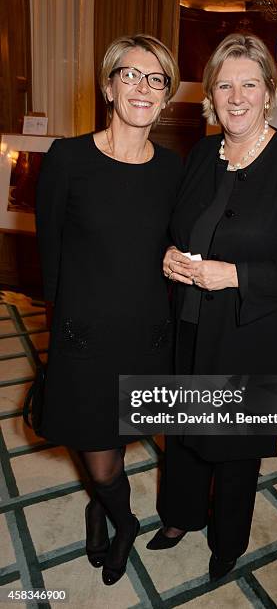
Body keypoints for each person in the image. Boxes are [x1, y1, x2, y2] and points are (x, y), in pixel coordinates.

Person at [147, 33, 277, 581]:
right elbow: (176, 226)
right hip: (190, 322)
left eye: (249, 84)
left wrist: (237, 275)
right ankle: (179, 516)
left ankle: (227, 542)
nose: (236, 96)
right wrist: (167, 257)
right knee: (183, 428)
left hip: (253, 334)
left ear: (269, 93)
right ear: (210, 95)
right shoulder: (203, 153)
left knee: (233, 446)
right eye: (224, 84)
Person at [36, 34, 182, 586]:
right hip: (85, 336)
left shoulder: (176, 170)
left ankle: (101, 505)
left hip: (146, 335)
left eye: (156, 78)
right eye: (130, 74)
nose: (142, 87)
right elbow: (49, 257)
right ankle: (123, 519)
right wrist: (61, 332)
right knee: (95, 448)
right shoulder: (68, 158)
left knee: (117, 441)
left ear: (165, 97)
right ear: (107, 84)